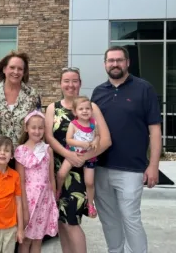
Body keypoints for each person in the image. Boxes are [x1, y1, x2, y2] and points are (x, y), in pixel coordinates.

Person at [91, 46, 162, 253]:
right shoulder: (98, 92)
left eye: (119, 60)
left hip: (131, 169)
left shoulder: (144, 88)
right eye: (111, 60)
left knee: (131, 218)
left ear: (127, 62)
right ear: (105, 64)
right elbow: (92, 130)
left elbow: (155, 130)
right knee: (109, 220)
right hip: (101, 168)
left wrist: (154, 165)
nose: (115, 64)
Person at [44, 68, 111, 253]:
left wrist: (81, 158)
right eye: (66, 81)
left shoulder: (90, 107)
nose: (70, 85)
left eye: (74, 81)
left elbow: (105, 140)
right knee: (61, 221)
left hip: (79, 172)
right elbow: (49, 137)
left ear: (80, 83)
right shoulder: (53, 108)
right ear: (60, 83)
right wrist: (68, 155)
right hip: (57, 170)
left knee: (71, 221)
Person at [14, 110, 58, 253]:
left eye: (40, 128)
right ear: (26, 128)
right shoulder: (20, 151)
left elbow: (51, 178)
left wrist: (54, 200)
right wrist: (24, 209)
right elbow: (20, 182)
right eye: (33, 127)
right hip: (29, 200)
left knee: (38, 239)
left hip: (45, 200)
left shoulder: (47, 150)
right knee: (26, 240)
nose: (37, 131)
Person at [0, 51, 41, 150]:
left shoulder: (33, 95)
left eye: (20, 69)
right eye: (12, 67)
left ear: (24, 72)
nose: (16, 72)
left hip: (24, 156)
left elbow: (39, 126)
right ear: (4, 69)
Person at [56, 96, 99, 218]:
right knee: (61, 174)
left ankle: (90, 204)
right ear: (75, 112)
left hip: (89, 157)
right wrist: (81, 144)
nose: (85, 111)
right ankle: (58, 191)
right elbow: (69, 140)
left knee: (89, 182)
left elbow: (98, 135)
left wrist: (96, 140)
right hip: (74, 154)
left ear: (91, 110)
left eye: (87, 108)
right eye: (81, 109)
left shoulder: (93, 123)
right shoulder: (73, 124)